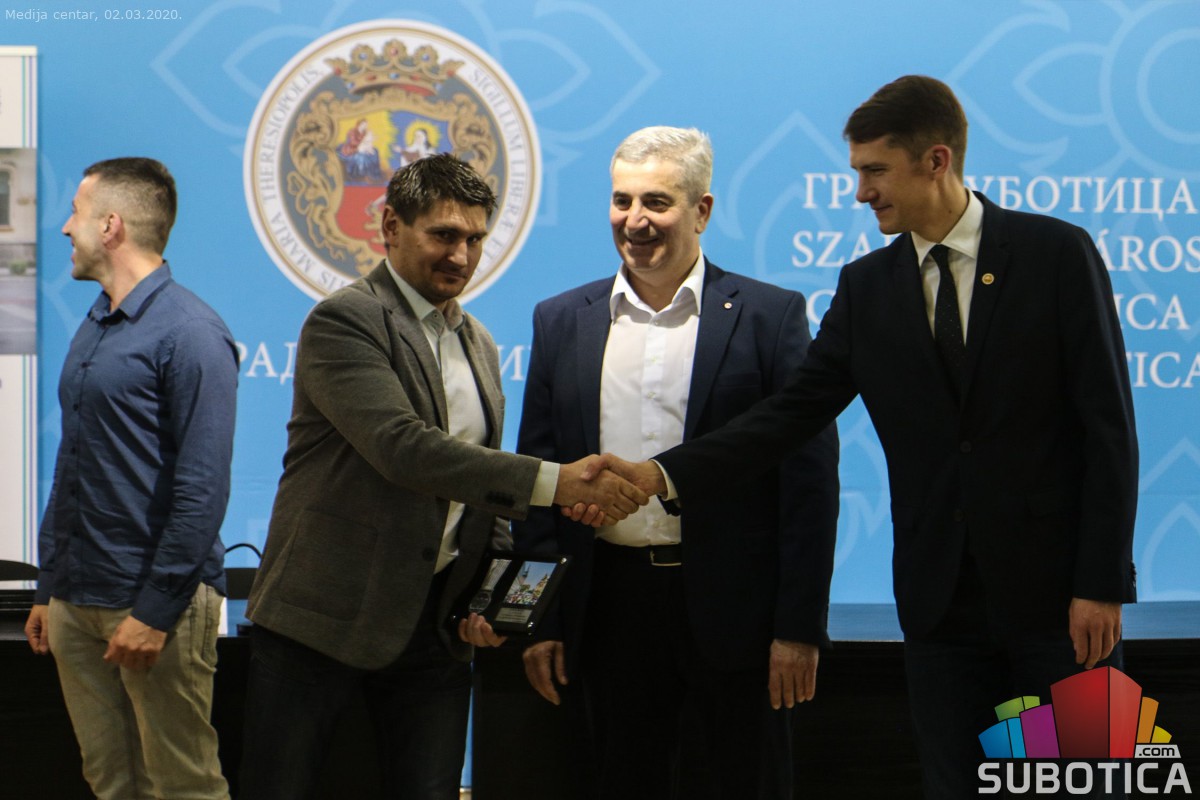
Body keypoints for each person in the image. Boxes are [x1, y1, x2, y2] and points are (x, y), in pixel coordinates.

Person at [596, 77, 1138, 799]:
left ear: (936, 160)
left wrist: (1101, 584)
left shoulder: (1056, 253)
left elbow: (1108, 430)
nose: (861, 193)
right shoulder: (867, 285)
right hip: (940, 609)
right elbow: (787, 416)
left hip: (1060, 604)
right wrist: (661, 476)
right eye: (857, 172)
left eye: (875, 171)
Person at [239, 153, 647, 800]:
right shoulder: (345, 319)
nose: (461, 255)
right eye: (444, 235)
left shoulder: (477, 341)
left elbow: (481, 493)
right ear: (390, 226)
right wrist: (559, 484)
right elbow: (405, 451)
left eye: (475, 239)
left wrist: (487, 596)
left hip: (434, 631)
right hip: (319, 623)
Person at [514, 127, 840, 800]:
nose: (634, 220)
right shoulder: (560, 321)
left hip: (738, 614)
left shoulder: (770, 317)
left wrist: (798, 628)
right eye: (622, 200)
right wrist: (539, 619)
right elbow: (539, 482)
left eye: (656, 202)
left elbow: (807, 486)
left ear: (702, 210)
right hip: (606, 612)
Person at [23, 157, 238, 800]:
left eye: (77, 213)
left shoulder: (193, 332)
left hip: (151, 604)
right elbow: (73, 461)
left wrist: (155, 611)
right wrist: (50, 585)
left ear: (110, 225)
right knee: (110, 781)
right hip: (76, 598)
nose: (67, 227)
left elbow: (203, 489)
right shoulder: (96, 322)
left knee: (183, 785)